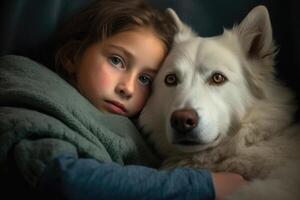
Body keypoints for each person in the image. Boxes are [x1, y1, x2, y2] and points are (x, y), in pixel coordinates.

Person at [0, 0, 247, 199]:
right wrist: (202, 186)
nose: (127, 88)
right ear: (73, 56)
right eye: (117, 61)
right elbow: (63, 179)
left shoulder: (137, 134)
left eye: (145, 80)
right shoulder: (31, 87)